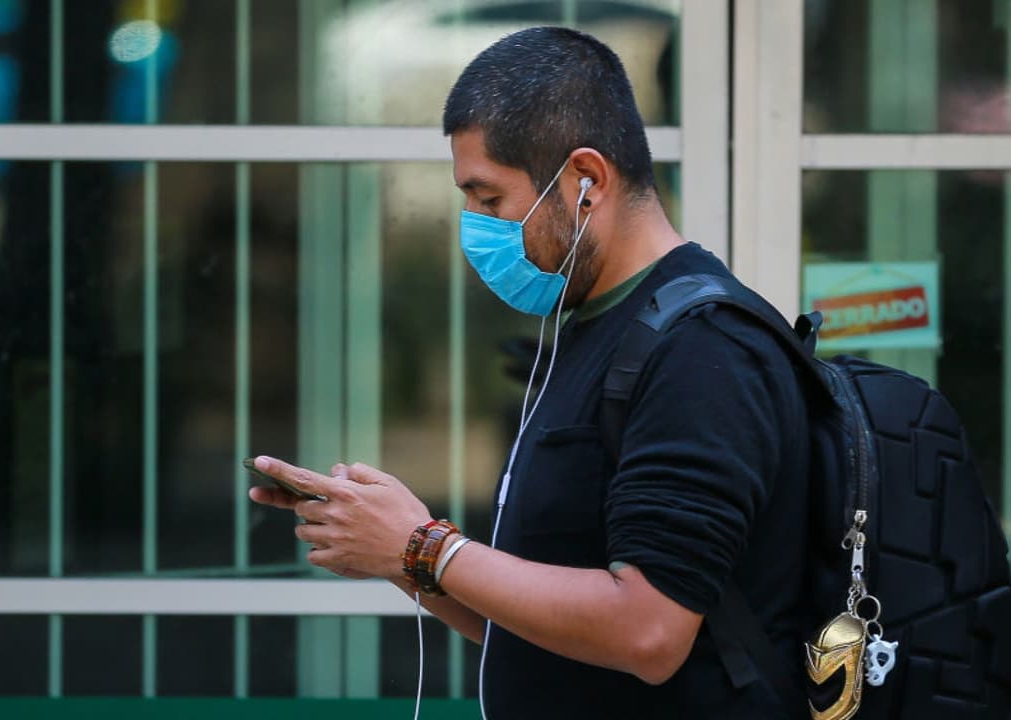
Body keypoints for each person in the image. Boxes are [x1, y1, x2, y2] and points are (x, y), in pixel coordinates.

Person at [248, 26, 810, 719]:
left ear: (586, 180)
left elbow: (649, 630)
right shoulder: (591, 328)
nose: (473, 226)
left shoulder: (702, 349)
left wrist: (426, 546)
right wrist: (400, 552)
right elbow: (538, 627)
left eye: (489, 200)